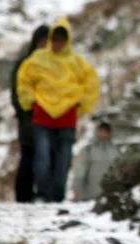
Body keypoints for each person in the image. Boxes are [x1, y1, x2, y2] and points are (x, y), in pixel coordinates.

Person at [16, 18, 100, 202]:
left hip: (67, 117)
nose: (58, 43)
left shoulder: (77, 63)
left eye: (62, 39)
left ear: (67, 40)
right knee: (43, 158)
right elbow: (24, 81)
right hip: (42, 115)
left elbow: (91, 83)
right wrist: (30, 102)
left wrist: (82, 104)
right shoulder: (37, 60)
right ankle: (44, 193)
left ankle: (57, 195)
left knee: (64, 159)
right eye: (55, 39)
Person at [11, 24, 49, 202]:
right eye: (41, 41)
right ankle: (23, 193)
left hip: (48, 118)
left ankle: (40, 191)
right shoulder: (24, 64)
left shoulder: (53, 65)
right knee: (28, 155)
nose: (44, 45)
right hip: (29, 118)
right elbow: (16, 93)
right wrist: (24, 112)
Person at [71, 121, 120, 201]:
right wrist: (77, 191)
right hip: (88, 197)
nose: (103, 134)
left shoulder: (116, 151)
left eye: (106, 132)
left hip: (109, 196)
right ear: (96, 132)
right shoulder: (87, 150)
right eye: (101, 131)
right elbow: (79, 173)